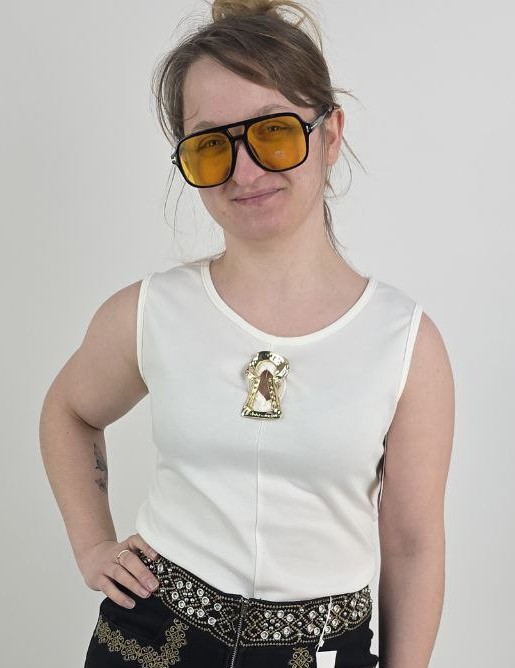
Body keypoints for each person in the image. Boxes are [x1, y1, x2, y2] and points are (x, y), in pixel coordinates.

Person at [39, 1, 455, 667]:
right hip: (150, 643)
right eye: (211, 144)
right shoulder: (149, 310)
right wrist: (93, 545)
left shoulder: (405, 342)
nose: (245, 170)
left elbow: (412, 545)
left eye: (274, 132)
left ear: (330, 134)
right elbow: (69, 410)